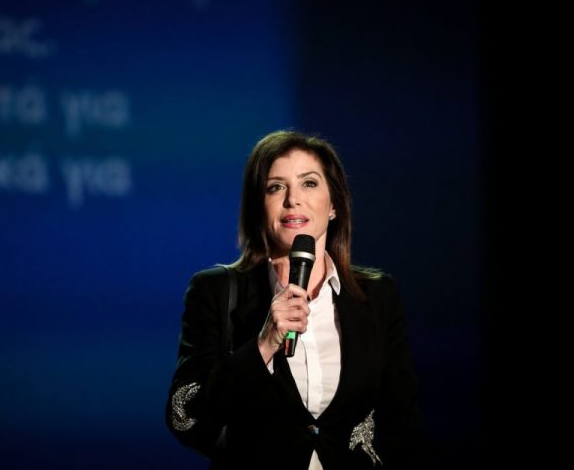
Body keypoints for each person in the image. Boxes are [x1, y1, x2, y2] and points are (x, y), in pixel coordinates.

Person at [166, 130, 428, 469]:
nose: (293, 200)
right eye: (276, 187)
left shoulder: (376, 295)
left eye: (309, 183)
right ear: (258, 206)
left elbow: (403, 425)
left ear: (334, 205)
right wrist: (263, 346)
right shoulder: (214, 291)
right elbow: (185, 419)